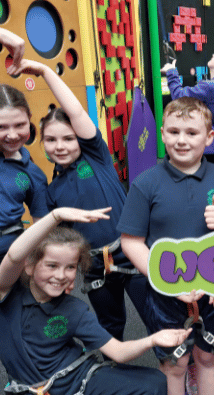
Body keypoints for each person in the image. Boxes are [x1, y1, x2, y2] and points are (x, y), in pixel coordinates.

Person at [14, 58, 148, 342]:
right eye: (51, 140)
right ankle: (117, 374)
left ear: (81, 140)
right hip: (95, 266)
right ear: (43, 145)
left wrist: (45, 72)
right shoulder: (52, 190)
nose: (60, 146)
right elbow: (56, 237)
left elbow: (74, 110)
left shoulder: (95, 156)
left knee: (156, 314)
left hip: (130, 250)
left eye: (68, 138)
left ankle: (180, 367)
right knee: (110, 326)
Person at [0, 206, 192, 395]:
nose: (61, 275)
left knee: (155, 383)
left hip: (78, 379)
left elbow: (118, 351)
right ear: (30, 266)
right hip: (31, 388)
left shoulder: (74, 309)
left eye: (70, 267)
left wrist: (151, 340)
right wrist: (55, 216)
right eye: (52, 265)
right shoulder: (6, 293)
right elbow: (14, 256)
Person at [117, 96, 214, 395]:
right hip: (164, 294)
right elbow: (131, 242)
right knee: (175, 361)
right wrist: (166, 281)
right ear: (162, 134)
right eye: (173, 132)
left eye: (192, 133)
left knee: (208, 356)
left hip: (213, 291)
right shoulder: (145, 183)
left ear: (210, 137)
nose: (181, 140)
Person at [0, 29, 48, 265]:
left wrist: (30, 263)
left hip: (10, 254)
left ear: (30, 118)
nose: (11, 135)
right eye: (0, 127)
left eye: (20, 124)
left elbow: (39, 224)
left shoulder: (33, 174)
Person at [161, 53, 214, 164]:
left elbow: (179, 97)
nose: (213, 54)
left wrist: (171, 72)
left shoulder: (210, 87)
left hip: (207, 151)